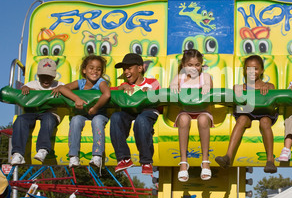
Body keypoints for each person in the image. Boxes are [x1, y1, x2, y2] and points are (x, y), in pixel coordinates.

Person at [215, 55, 277, 173]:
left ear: (262, 70)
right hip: (247, 113)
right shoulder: (240, 87)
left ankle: (270, 160)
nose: (252, 72)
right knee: (242, 120)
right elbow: (235, 94)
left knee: (264, 122)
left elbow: (272, 90)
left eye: (256, 69)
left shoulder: (268, 86)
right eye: (249, 69)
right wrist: (238, 90)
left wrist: (267, 88)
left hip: (264, 113)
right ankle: (228, 156)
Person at [110, 53, 160, 175]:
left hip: (147, 111)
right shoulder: (124, 85)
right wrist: (121, 88)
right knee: (116, 117)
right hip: (130, 111)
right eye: (124, 69)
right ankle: (123, 158)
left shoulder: (152, 82)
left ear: (140, 68)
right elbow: (109, 91)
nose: (126, 71)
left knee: (141, 121)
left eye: (129, 68)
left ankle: (146, 161)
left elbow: (158, 92)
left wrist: (148, 92)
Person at [59, 55, 111, 169]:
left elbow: (107, 94)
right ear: (84, 70)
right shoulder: (81, 83)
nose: (94, 71)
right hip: (84, 114)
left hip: (99, 113)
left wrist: (96, 108)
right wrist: (76, 99)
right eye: (91, 68)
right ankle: (73, 156)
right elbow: (62, 88)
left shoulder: (101, 83)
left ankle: (97, 156)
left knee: (97, 121)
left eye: (98, 69)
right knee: (75, 120)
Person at [170, 49, 213, 182]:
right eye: (190, 65)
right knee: (183, 119)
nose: (194, 68)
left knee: (203, 120)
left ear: (201, 65)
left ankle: (205, 161)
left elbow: (210, 87)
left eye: (197, 65)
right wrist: (173, 86)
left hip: (202, 111)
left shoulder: (205, 77)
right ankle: (183, 163)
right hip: (185, 111)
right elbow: (172, 86)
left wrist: (208, 87)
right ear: (183, 66)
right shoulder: (179, 78)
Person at [10, 58, 64, 165]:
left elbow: (66, 89)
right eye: (43, 76)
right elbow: (25, 88)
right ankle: (18, 153)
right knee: (20, 120)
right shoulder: (33, 84)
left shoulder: (59, 85)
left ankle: (43, 149)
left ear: (54, 76)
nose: (46, 80)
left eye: (49, 77)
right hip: (32, 112)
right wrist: (25, 88)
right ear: (38, 76)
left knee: (48, 119)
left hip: (50, 112)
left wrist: (62, 89)